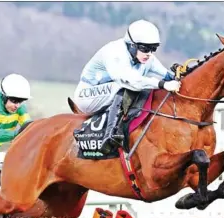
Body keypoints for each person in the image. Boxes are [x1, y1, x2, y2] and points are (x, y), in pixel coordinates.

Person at [72, 19, 181, 154]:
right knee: (127, 87)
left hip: (108, 93)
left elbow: (166, 74)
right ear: (132, 45)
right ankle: (110, 136)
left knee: (141, 90)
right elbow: (131, 81)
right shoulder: (115, 53)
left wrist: (178, 75)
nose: (149, 54)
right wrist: (162, 84)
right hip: (87, 95)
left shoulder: (146, 57)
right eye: (145, 49)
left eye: (153, 49)